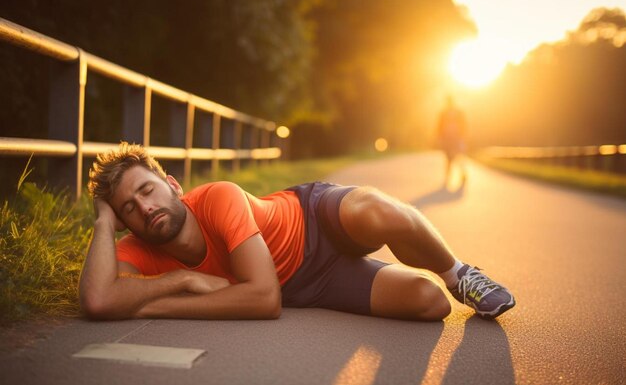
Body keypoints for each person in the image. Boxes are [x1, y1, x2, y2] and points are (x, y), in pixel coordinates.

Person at [79, 142, 515, 321]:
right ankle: (379, 272)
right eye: (128, 209)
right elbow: (99, 300)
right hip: (309, 285)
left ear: (172, 185)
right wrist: (102, 221)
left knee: (380, 214)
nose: (145, 208)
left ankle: (459, 273)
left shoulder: (217, 197)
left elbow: (263, 300)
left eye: (147, 191)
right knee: (429, 306)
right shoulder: (137, 245)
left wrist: (161, 300)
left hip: (312, 219)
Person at [437, 96, 468, 186]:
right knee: (450, 157)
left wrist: (462, 136)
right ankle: (450, 176)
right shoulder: (445, 113)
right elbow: (440, 126)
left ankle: (461, 174)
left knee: (457, 157)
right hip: (449, 138)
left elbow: (463, 124)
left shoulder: (456, 113)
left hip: (455, 138)